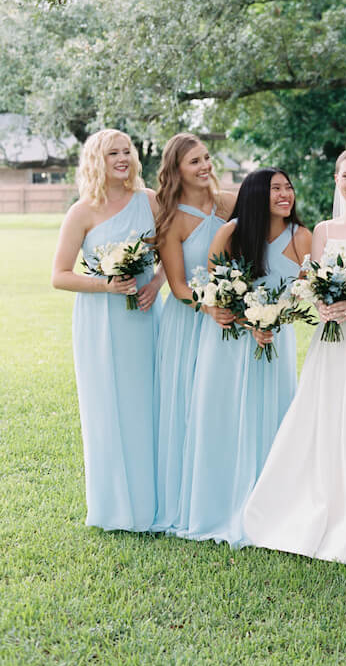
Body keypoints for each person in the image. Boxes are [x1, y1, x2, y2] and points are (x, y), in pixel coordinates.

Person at [243, 148, 346, 565]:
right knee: (326, 419)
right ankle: (319, 505)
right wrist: (323, 306)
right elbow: (313, 282)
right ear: (336, 179)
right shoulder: (322, 230)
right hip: (331, 339)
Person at [174, 167, 309, 545]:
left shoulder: (303, 237)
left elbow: (303, 293)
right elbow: (215, 291)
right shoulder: (230, 233)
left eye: (288, 186)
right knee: (224, 417)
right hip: (228, 343)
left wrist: (273, 319)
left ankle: (270, 508)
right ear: (254, 195)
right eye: (275, 188)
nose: (285, 194)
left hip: (273, 341)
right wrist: (242, 319)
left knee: (273, 416)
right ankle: (221, 506)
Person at [51, 129, 164, 531]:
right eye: (113, 152)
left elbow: (172, 250)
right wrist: (106, 284)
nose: (122, 158)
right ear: (97, 160)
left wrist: (155, 283)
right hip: (101, 321)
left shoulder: (149, 200)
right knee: (107, 408)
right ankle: (115, 507)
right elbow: (59, 276)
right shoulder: (81, 212)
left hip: (145, 316)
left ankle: (156, 502)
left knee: (149, 403)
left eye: (127, 151)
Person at [151, 133, 235, 534]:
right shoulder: (172, 219)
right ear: (177, 171)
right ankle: (192, 497)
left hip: (232, 320)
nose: (205, 167)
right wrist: (208, 305)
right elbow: (178, 285)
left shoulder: (230, 203)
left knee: (223, 406)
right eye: (194, 162)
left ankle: (229, 490)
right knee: (190, 407)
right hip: (190, 321)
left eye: (206, 158)